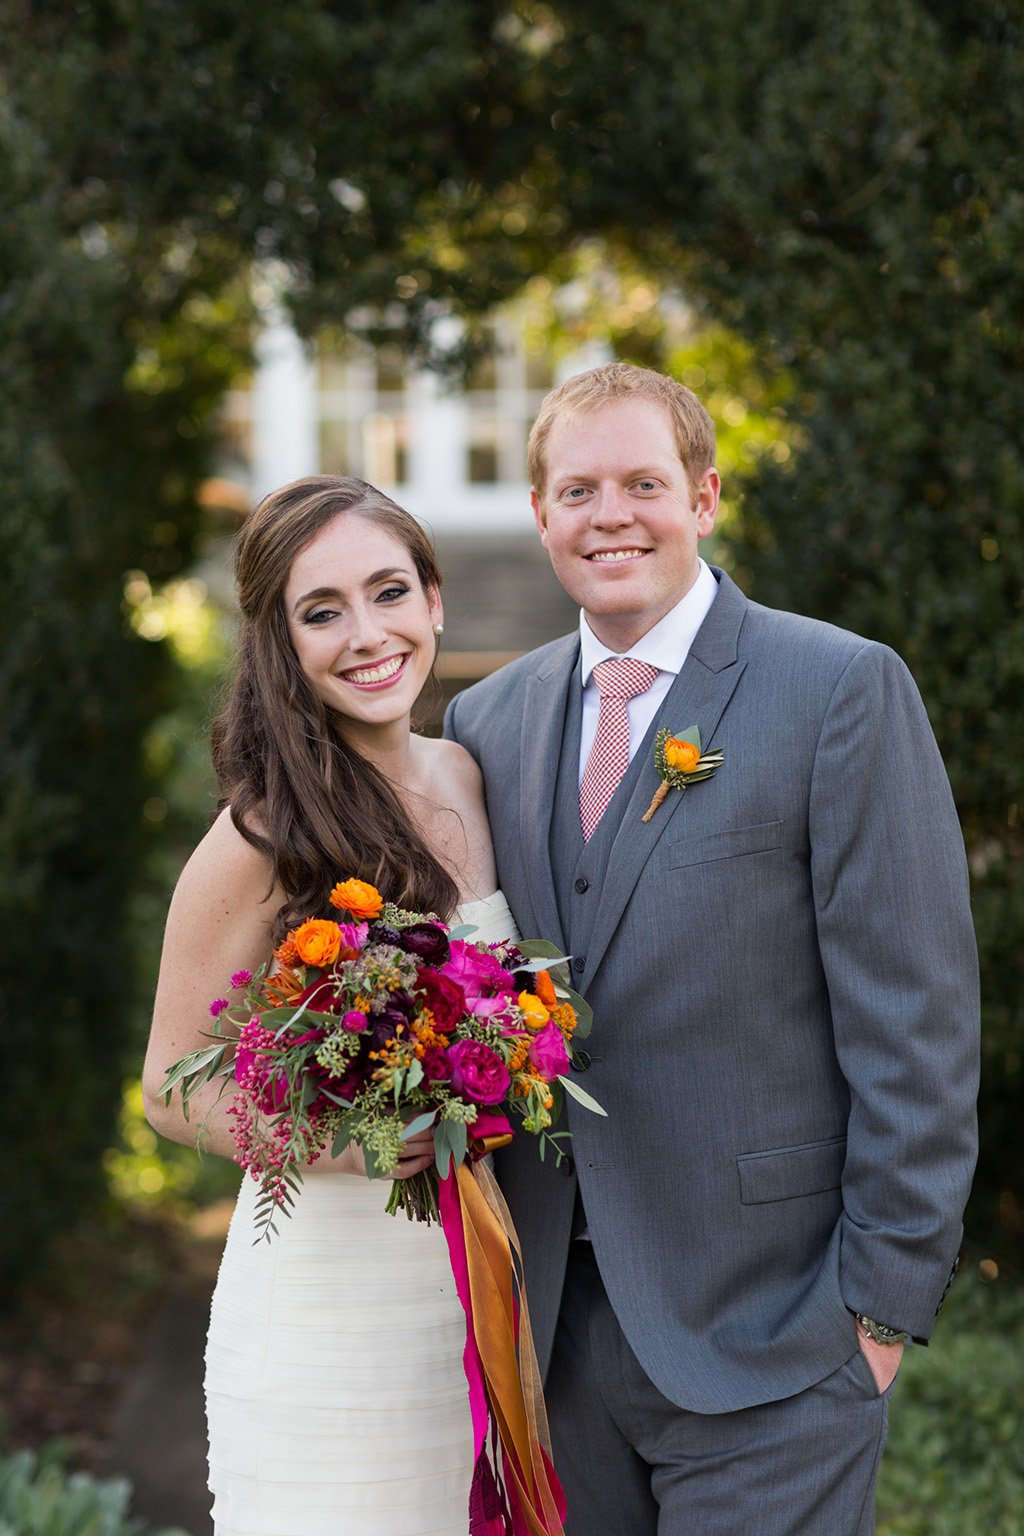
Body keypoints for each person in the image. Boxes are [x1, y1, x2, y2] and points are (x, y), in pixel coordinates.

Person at [445, 361, 980, 1535]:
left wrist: (877, 1314)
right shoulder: (485, 723)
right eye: (577, 490)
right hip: (554, 1345)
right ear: (540, 516)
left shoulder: (837, 688)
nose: (610, 515)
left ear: (704, 494)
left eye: (643, 482)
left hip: (774, 1339)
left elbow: (916, 1021)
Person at [142, 476, 516, 1536]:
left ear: (434, 599)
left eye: (388, 591)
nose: (367, 634)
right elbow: (170, 1083)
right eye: (322, 611)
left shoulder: (473, 778)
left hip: (481, 1297)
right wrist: (350, 1142)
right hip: (327, 1315)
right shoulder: (260, 834)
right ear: (280, 643)